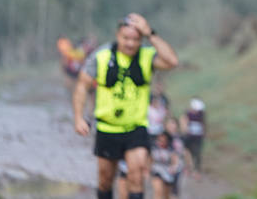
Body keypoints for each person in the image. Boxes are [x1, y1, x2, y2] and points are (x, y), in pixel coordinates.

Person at [72, 13, 179, 199]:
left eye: (136, 39)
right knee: (105, 179)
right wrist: (78, 117)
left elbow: (172, 61)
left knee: (136, 176)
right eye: (126, 38)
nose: (130, 43)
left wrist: (151, 34)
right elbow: (82, 86)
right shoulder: (102, 56)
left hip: (136, 127)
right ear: (117, 35)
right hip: (107, 127)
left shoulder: (147, 56)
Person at [149, 130, 184, 199]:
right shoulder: (154, 148)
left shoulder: (171, 150)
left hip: (168, 173)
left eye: (163, 140)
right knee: (158, 191)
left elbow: (175, 162)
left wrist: (174, 168)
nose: (161, 142)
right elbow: (150, 160)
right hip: (157, 170)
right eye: (159, 140)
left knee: (166, 195)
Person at [182, 97, 206, 175]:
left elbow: (203, 124)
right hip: (189, 136)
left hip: (198, 136)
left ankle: (196, 170)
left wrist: (203, 133)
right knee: (188, 152)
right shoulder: (188, 113)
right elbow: (184, 123)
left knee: (197, 153)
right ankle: (188, 168)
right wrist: (185, 131)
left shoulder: (201, 114)